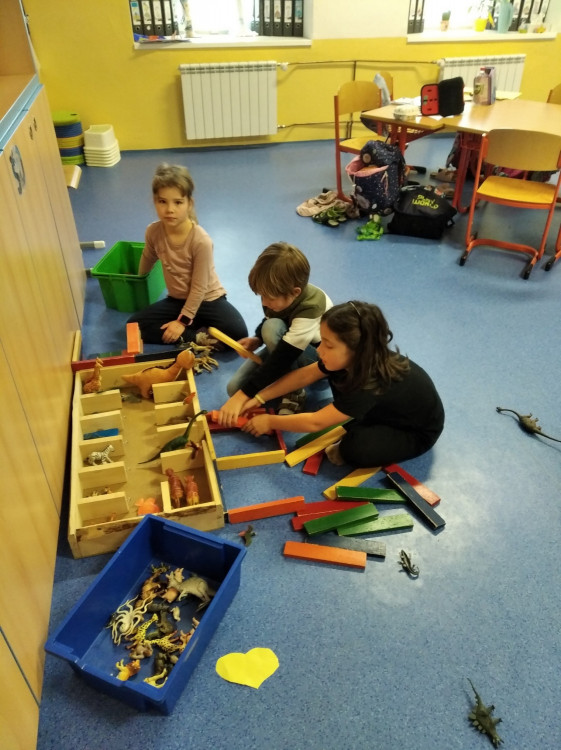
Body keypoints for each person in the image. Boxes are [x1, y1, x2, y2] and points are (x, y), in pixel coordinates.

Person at [238, 301, 445, 468]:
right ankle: (354, 417)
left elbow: (315, 423)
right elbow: (303, 376)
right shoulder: (354, 358)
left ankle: (358, 429)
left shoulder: (369, 384)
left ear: (357, 350)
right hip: (384, 410)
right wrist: (260, 397)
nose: (320, 350)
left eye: (328, 345)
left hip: (415, 432)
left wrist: (270, 421)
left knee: (355, 449)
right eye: (322, 341)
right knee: (337, 384)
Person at [127, 163, 247, 346]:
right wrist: (137, 281)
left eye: (178, 202)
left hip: (208, 300)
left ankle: (190, 326)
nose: (170, 209)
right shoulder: (153, 231)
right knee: (134, 327)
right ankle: (196, 337)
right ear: (154, 202)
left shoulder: (201, 241)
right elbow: (148, 257)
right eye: (162, 201)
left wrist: (181, 322)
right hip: (177, 300)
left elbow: (199, 288)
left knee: (238, 333)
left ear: (189, 204)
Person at [218, 242, 333, 423]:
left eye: (268, 298)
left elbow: (283, 357)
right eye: (261, 296)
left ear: (295, 292)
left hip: (315, 360)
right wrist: (257, 339)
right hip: (287, 347)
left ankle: (296, 392)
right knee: (233, 388)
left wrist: (244, 395)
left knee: (271, 329)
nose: (264, 302)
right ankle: (284, 383)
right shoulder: (276, 294)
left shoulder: (312, 307)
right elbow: (270, 318)